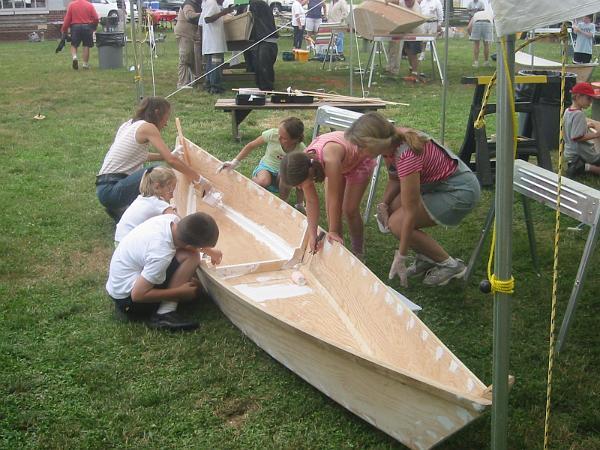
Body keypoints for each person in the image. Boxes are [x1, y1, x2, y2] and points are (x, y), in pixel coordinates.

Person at [345, 112, 481, 287]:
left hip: (460, 192)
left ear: (375, 143)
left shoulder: (406, 156)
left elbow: (410, 211)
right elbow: (395, 178)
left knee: (397, 224)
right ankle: (426, 257)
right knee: (393, 210)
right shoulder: (390, 145)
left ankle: (451, 265)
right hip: (439, 186)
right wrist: (383, 204)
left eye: (361, 146)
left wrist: (401, 255)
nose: (358, 150)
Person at [96, 96, 207, 222]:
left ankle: (122, 208)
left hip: (104, 188)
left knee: (153, 171)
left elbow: (141, 156)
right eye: (167, 116)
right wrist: (198, 178)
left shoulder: (128, 125)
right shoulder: (147, 127)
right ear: (157, 112)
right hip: (111, 190)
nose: (166, 123)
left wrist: (168, 154)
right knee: (156, 172)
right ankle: (162, 212)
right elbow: (171, 161)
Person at [106, 212, 222, 331]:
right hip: (128, 301)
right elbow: (138, 295)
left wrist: (209, 251)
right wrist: (179, 292)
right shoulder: (160, 255)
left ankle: (167, 301)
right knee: (192, 257)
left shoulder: (170, 220)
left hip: (119, 285)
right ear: (192, 244)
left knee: (192, 266)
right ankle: (164, 314)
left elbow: (186, 241)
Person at [279, 131, 376, 259]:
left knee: (349, 209)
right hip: (341, 159)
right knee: (332, 215)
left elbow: (334, 199)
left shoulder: (329, 160)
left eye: (299, 184)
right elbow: (311, 202)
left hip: (359, 159)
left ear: (309, 174)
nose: (299, 188)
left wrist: (333, 231)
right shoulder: (304, 164)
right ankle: (338, 250)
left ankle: (358, 251)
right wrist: (312, 234)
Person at [218, 117, 306, 209]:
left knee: (285, 177)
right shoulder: (273, 134)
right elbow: (251, 146)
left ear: (294, 140)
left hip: (283, 174)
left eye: (283, 137)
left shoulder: (301, 150)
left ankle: (282, 204)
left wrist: (300, 204)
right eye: (279, 134)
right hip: (267, 167)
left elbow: (302, 178)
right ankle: (252, 190)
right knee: (263, 181)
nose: (279, 137)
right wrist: (234, 163)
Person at [114, 167, 178, 245]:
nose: (172, 195)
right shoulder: (157, 203)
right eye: (170, 190)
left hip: (120, 239)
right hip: (128, 243)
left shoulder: (143, 198)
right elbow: (178, 221)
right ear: (157, 187)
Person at [564, 82, 600, 178]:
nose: (590, 102)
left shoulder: (568, 111)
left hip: (570, 152)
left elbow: (570, 127)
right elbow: (577, 137)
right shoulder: (578, 114)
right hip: (582, 153)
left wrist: (585, 125)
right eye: (588, 98)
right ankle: (584, 167)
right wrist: (596, 135)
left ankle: (577, 165)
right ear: (578, 96)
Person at [201, 0, 235, 94]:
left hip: (209, 42)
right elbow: (207, 19)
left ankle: (208, 84)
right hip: (214, 42)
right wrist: (223, 13)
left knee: (210, 66)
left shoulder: (207, 3)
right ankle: (215, 87)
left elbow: (200, 23)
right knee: (216, 65)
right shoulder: (212, 3)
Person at [386, 0, 424, 80]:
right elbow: (392, 2)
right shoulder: (401, 2)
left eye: (409, 1)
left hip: (416, 31)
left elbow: (415, 22)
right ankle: (411, 70)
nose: (408, 3)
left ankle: (414, 73)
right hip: (406, 30)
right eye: (406, 1)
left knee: (414, 53)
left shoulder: (416, 8)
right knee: (408, 51)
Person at [248, 0, 279, 91]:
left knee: (264, 67)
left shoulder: (257, 4)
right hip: (266, 40)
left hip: (266, 41)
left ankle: (267, 88)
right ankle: (263, 87)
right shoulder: (261, 5)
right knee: (261, 66)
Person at [60, 0, 99, 70]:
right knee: (86, 45)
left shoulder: (72, 5)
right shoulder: (89, 5)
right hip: (87, 26)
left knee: (74, 45)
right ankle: (85, 64)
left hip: (75, 27)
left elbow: (67, 19)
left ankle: (74, 57)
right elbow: (96, 18)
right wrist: (94, 26)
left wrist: (64, 29)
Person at [174, 0, 203, 89]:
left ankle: (192, 79)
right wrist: (204, 14)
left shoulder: (197, 4)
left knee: (192, 58)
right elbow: (189, 16)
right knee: (185, 58)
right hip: (184, 34)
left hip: (191, 35)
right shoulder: (188, 4)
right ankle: (182, 83)